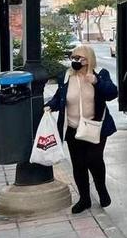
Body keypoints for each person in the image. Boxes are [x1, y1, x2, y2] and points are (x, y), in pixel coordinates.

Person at [46, 45, 118, 213]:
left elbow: (112, 93)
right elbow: (59, 98)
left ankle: (102, 191)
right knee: (78, 165)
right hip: (72, 128)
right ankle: (84, 199)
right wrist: (49, 106)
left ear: (89, 60)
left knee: (94, 159)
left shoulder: (100, 74)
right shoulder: (66, 77)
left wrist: (96, 82)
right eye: (73, 57)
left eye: (80, 58)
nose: (75, 61)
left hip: (95, 127)